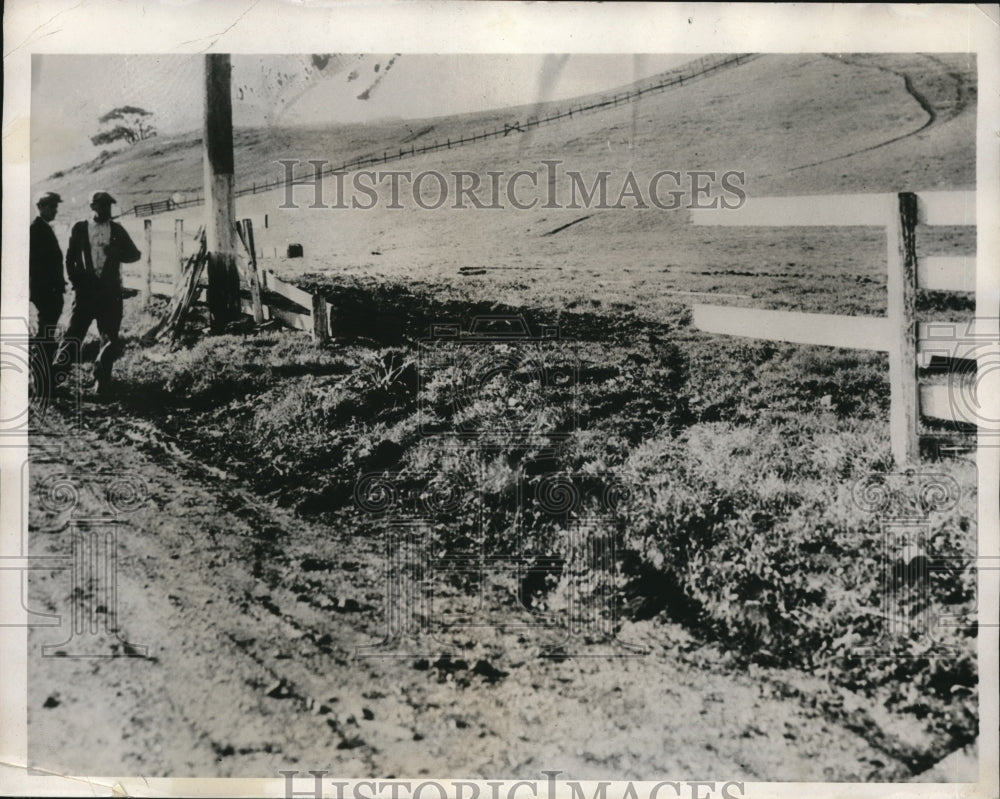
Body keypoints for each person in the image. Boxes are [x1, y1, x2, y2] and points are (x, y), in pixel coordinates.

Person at [58, 191, 141, 395]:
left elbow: (135, 255)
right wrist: (76, 282)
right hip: (85, 294)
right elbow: (69, 259)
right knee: (73, 336)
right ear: (92, 206)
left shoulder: (117, 230)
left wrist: (117, 252)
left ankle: (102, 382)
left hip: (109, 294)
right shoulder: (79, 228)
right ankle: (53, 378)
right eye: (102, 205)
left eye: (109, 206)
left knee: (109, 338)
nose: (106, 209)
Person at [29, 192, 66, 382]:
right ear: (41, 207)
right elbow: (36, 266)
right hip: (45, 293)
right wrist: (48, 289)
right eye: (52, 207)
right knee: (45, 335)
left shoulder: (43, 228)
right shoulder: (36, 230)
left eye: (56, 207)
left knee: (47, 333)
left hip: (50, 291)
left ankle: (43, 376)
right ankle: (41, 379)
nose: (55, 211)